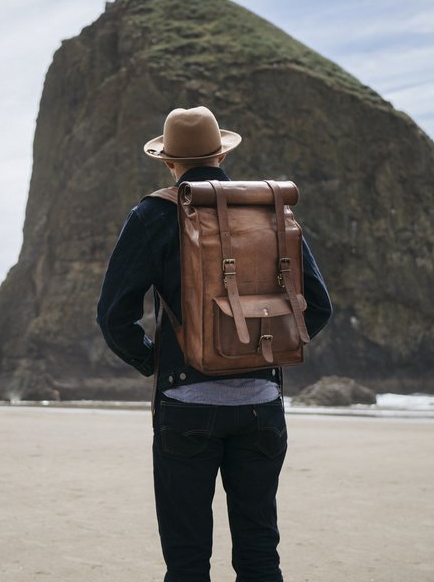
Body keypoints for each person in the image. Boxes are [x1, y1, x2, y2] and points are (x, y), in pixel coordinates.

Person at [97, 106, 332, 582]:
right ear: (222, 155)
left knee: (187, 563)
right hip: (261, 407)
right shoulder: (268, 209)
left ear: (168, 163)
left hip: (185, 406)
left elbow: (113, 316)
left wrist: (155, 360)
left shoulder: (151, 214)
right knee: (260, 556)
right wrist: (262, 350)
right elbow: (318, 305)